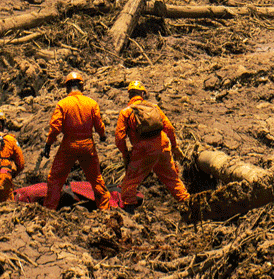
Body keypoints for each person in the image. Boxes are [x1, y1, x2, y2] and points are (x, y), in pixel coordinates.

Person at [42, 70, 112, 210]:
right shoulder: (91, 103)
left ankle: (49, 209)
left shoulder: (63, 104)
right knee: (96, 179)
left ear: (67, 87)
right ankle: (105, 209)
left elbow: (55, 128)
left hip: (69, 146)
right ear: (81, 86)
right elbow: (99, 124)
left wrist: (48, 145)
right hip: (87, 145)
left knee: (55, 179)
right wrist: (102, 136)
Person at [115, 80, 190, 209]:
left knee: (130, 183)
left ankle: (130, 213)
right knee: (172, 179)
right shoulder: (154, 107)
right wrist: (174, 146)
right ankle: (188, 203)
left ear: (129, 95)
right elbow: (170, 128)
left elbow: (119, 138)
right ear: (143, 94)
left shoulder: (126, 112)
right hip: (162, 146)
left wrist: (126, 154)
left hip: (143, 151)